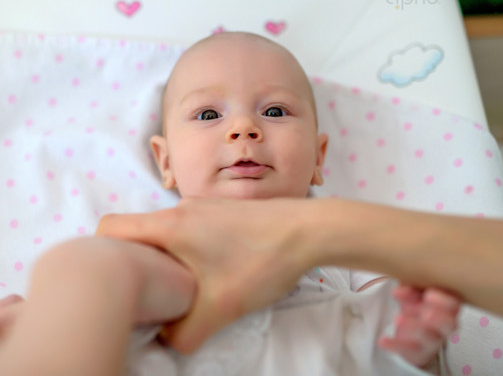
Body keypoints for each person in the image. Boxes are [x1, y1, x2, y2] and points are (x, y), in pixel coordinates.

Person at [0, 32, 459, 375]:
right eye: (208, 115)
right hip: (176, 340)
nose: (243, 128)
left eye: (274, 111)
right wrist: (50, 316)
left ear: (318, 159)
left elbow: (382, 303)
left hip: (311, 351)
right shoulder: (162, 232)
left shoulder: (339, 240)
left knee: (397, 313)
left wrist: (410, 331)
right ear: (166, 162)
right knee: (81, 266)